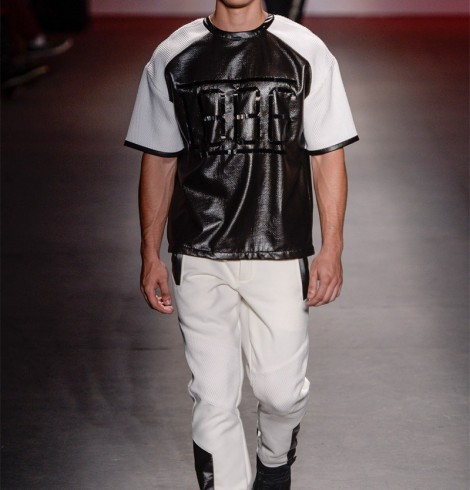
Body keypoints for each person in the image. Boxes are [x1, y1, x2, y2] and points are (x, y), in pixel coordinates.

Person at [125, 1, 358, 488]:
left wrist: (332, 247)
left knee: (281, 394)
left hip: (279, 247)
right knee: (212, 398)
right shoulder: (173, 55)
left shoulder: (305, 50)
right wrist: (149, 253)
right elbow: (160, 158)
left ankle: (274, 461)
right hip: (198, 249)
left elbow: (326, 155)